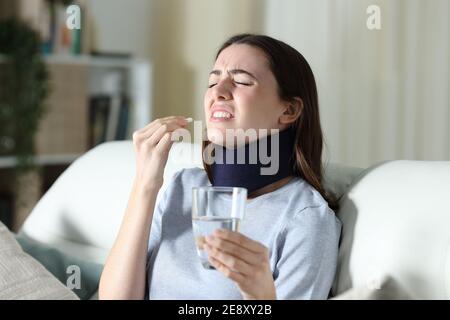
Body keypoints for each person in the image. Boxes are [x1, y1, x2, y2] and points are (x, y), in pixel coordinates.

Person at [99, 34, 342, 300]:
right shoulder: (183, 185)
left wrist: (261, 296)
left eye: (241, 81)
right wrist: (146, 183)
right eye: (213, 81)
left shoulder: (304, 217)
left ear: (289, 110)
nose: (218, 91)